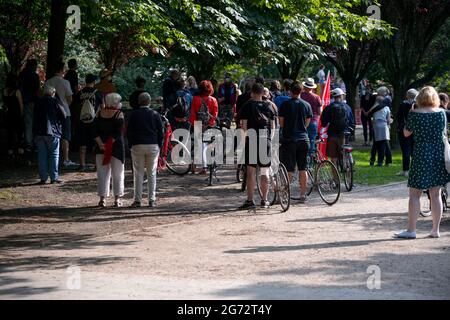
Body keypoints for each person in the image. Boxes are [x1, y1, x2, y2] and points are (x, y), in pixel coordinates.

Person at [395, 86, 449, 239]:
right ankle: (435, 230)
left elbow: (406, 133)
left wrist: (412, 112)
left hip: (420, 155)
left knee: (414, 194)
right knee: (436, 194)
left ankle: (411, 230)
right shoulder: (442, 114)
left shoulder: (415, 114)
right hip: (437, 155)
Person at [238, 83, 276, 210]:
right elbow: (273, 126)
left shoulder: (247, 106)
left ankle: (250, 200)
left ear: (252, 93)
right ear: (262, 93)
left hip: (252, 139)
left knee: (250, 172)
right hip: (266, 139)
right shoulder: (269, 106)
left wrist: (244, 142)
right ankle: (264, 200)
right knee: (265, 172)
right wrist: (271, 140)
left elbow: (244, 126)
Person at [127, 93, 164, 208]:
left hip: (137, 145)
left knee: (138, 173)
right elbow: (161, 131)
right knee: (151, 173)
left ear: (139, 102)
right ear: (149, 102)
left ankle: (137, 200)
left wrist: (131, 144)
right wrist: (159, 145)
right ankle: (151, 200)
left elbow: (129, 131)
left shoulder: (134, 114)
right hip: (152, 144)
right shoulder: (155, 114)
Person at [279, 81, 313, 203]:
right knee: (303, 168)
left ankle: (284, 195)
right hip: (304, 139)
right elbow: (308, 122)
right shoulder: (307, 105)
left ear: (290, 91)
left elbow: (281, 123)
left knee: (289, 168)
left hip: (290, 139)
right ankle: (303, 195)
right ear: (301, 90)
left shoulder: (285, 105)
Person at [93, 93, 125, 208]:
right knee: (118, 174)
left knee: (102, 174)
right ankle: (117, 199)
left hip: (100, 148)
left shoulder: (99, 113)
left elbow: (94, 130)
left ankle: (102, 199)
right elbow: (118, 132)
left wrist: (101, 144)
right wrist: (108, 144)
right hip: (116, 148)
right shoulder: (119, 114)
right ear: (116, 102)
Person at [33, 85, 66, 184]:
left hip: (39, 132)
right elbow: (63, 115)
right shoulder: (55, 101)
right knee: (54, 154)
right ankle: (54, 177)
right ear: (53, 93)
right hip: (53, 132)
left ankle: (43, 178)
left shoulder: (38, 102)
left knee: (41, 155)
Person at [46, 61, 76, 168]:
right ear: (62, 70)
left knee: (52, 134)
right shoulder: (65, 82)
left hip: (51, 112)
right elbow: (70, 98)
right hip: (65, 111)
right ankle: (66, 159)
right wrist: (64, 105)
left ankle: (53, 157)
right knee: (65, 136)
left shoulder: (48, 82)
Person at [189, 80, 219, 174]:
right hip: (209, 125)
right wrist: (210, 123)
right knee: (208, 145)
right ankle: (209, 164)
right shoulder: (213, 100)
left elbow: (192, 112)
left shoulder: (195, 99)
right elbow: (215, 113)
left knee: (200, 145)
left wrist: (196, 124)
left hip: (198, 124)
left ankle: (203, 167)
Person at [320, 88, 355, 167]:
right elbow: (352, 122)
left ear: (333, 96)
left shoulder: (328, 108)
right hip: (344, 135)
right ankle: (348, 173)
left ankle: (335, 178)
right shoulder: (348, 107)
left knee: (333, 158)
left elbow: (324, 123)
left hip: (332, 135)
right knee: (344, 153)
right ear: (341, 96)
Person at [75, 74, 103, 171]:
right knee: (95, 143)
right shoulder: (98, 93)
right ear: (94, 82)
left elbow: (76, 106)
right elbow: (102, 106)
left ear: (85, 81)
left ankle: (82, 164)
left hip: (82, 120)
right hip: (94, 121)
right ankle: (96, 165)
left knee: (82, 143)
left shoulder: (80, 93)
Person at [18, 58, 40, 153]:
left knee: (27, 122)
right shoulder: (34, 76)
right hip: (32, 101)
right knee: (31, 122)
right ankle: (30, 144)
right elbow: (37, 89)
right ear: (34, 66)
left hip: (22, 100)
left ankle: (27, 142)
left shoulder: (22, 74)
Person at [396, 89, 419, 177]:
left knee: (405, 150)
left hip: (404, 129)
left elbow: (399, 116)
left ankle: (406, 170)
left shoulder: (404, 104)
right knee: (413, 150)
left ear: (407, 95)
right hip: (415, 130)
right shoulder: (418, 105)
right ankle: (415, 169)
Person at [368, 86, 393, 166]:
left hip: (375, 126)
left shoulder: (374, 106)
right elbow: (389, 118)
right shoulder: (386, 105)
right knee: (384, 144)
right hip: (384, 126)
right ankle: (383, 161)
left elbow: (370, 114)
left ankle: (373, 160)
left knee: (375, 144)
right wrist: (389, 123)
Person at [3, 73, 24, 159]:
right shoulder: (17, 91)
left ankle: (10, 149)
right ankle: (19, 148)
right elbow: (21, 104)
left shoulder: (4, 91)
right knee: (19, 131)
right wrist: (22, 114)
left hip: (9, 113)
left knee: (10, 131)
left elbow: (5, 104)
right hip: (17, 113)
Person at [300, 78, 322, 155]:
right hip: (313, 121)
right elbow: (319, 112)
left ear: (304, 86)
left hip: (302, 121)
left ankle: (302, 157)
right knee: (312, 140)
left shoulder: (301, 96)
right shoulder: (317, 97)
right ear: (312, 87)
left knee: (301, 140)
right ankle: (309, 160)